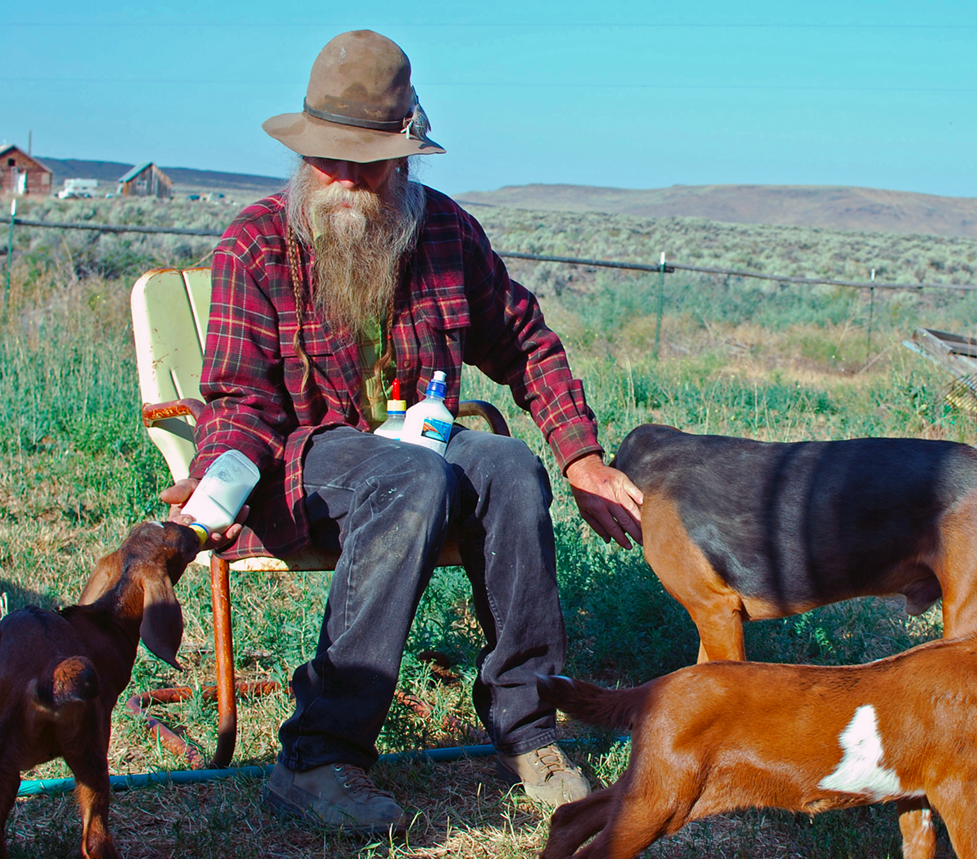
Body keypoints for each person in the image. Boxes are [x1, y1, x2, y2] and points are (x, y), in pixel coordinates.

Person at [163, 29, 643, 834]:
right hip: (305, 465)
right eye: (330, 160)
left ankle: (528, 729)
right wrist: (215, 489)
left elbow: (523, 340)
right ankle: (315, 755)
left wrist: (582, 457)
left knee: (509, 466)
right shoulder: (256, 242)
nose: (348, 179)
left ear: (404, 157)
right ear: (304, 152)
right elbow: (239, 400)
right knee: (411, 474)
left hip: (418, 441)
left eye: (370, 162)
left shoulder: (444, 233)